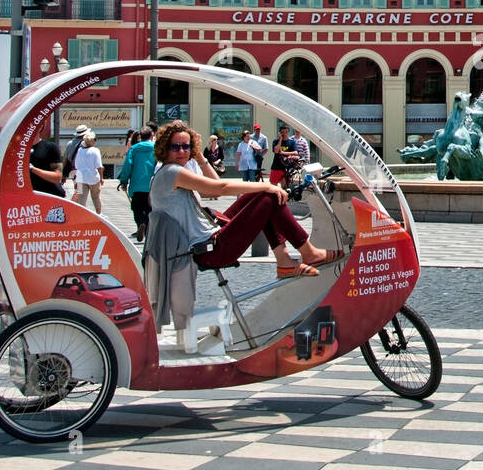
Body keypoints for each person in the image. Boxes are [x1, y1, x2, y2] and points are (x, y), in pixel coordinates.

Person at [146, 122, 342, 352]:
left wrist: (200, 158)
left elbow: (214, 186)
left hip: (205, 240)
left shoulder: (170, 171)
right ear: (163, 148)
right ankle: (307, 252)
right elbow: (219, 189)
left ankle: (285, 261)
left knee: (257, 198)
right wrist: (266, 187)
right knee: (267, 198)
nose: (181, 151)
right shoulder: (172, 172)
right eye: (175, 147)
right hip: (209, 249)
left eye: (186, 146)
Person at [119, 127, 156, 242]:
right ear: (151, 136)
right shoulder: (156, 149)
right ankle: (148, 228)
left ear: (140, 136)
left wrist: (123, 181)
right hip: (152, 185)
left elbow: (127, 166)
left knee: (137, 208)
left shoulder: (134, 149)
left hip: (137, 185)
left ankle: (141, 223)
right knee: (150, 209)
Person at [72, 131, 105, 213]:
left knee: (81, 199)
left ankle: (82, 215)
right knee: (95, 197)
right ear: (92, 141)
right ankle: (99, 214)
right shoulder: (95, 150)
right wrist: (101, 178)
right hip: (93, 178)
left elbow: (76, 165)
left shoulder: (79, 150)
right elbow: (99, 166)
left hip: (81, 178)